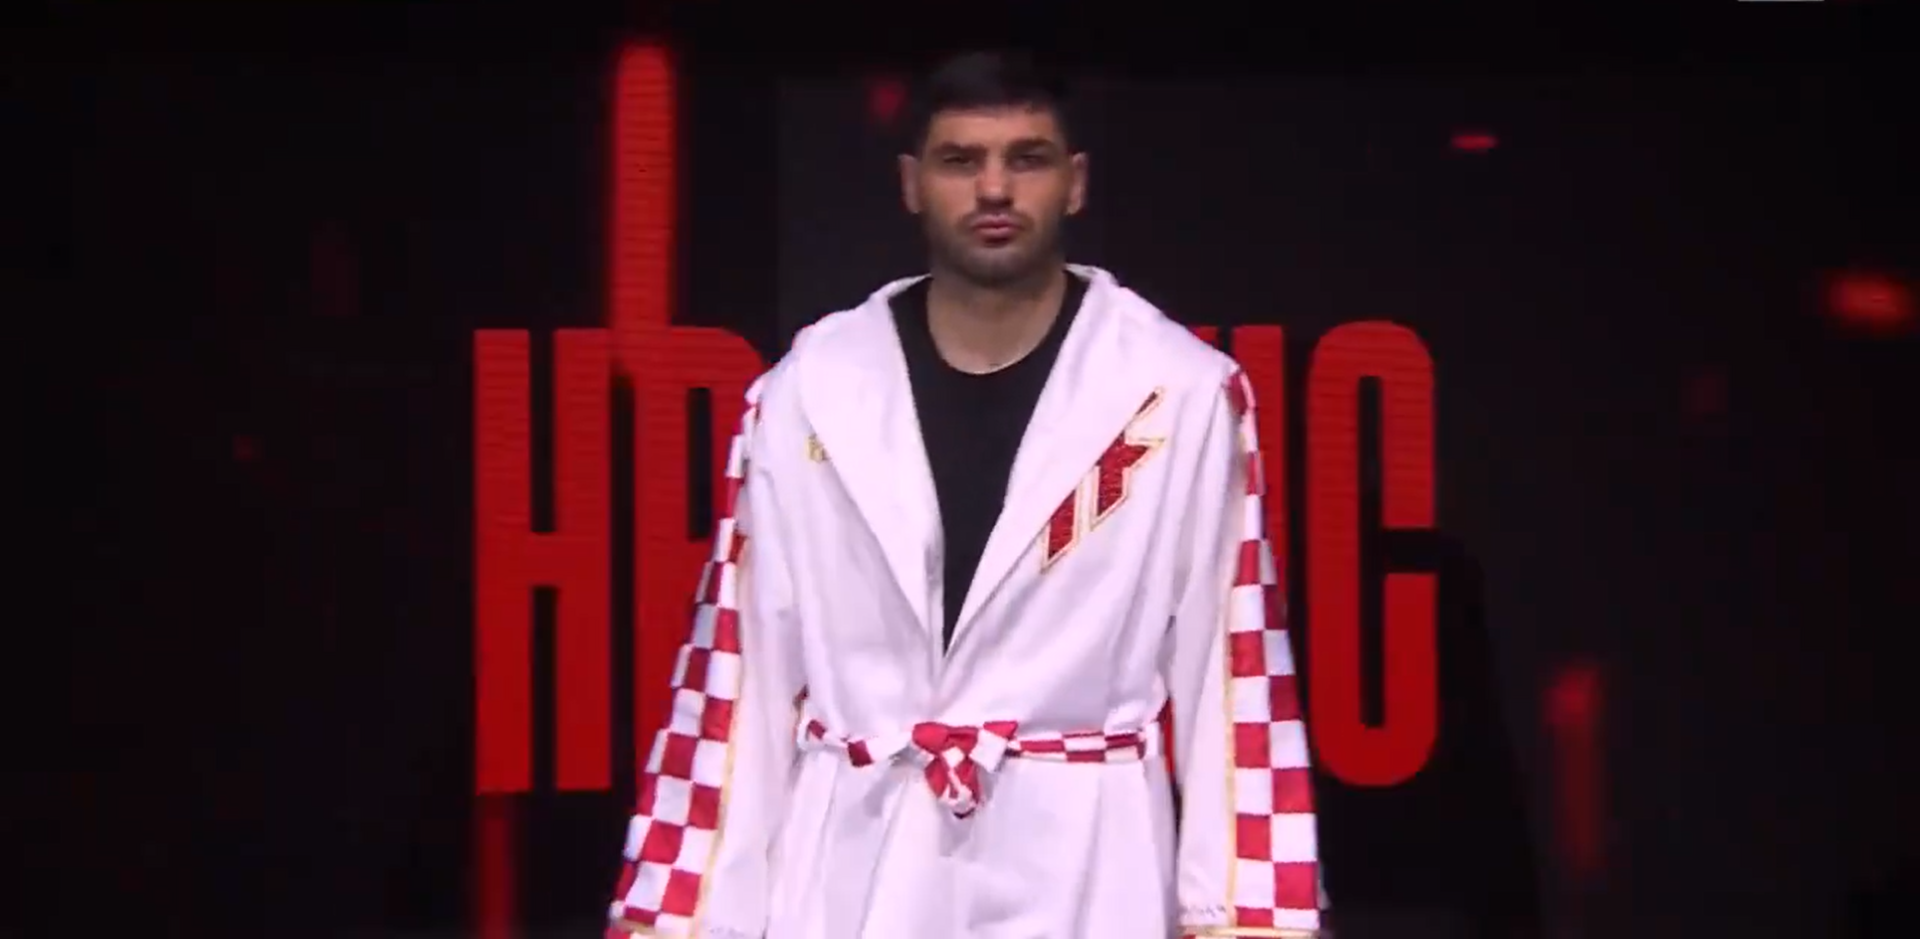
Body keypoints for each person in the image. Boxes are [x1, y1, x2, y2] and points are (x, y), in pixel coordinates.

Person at [604, 50, 1322, 939]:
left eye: (1027, 158)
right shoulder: (810, 389)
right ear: (912, 183)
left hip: (1086, 872)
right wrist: (682, 915)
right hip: (855, 871)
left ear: (1075, 182)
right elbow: (739, 668)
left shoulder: (1176, 391)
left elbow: (1233, 667)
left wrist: (1248, 912)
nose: (994, 188)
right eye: (960, 160)